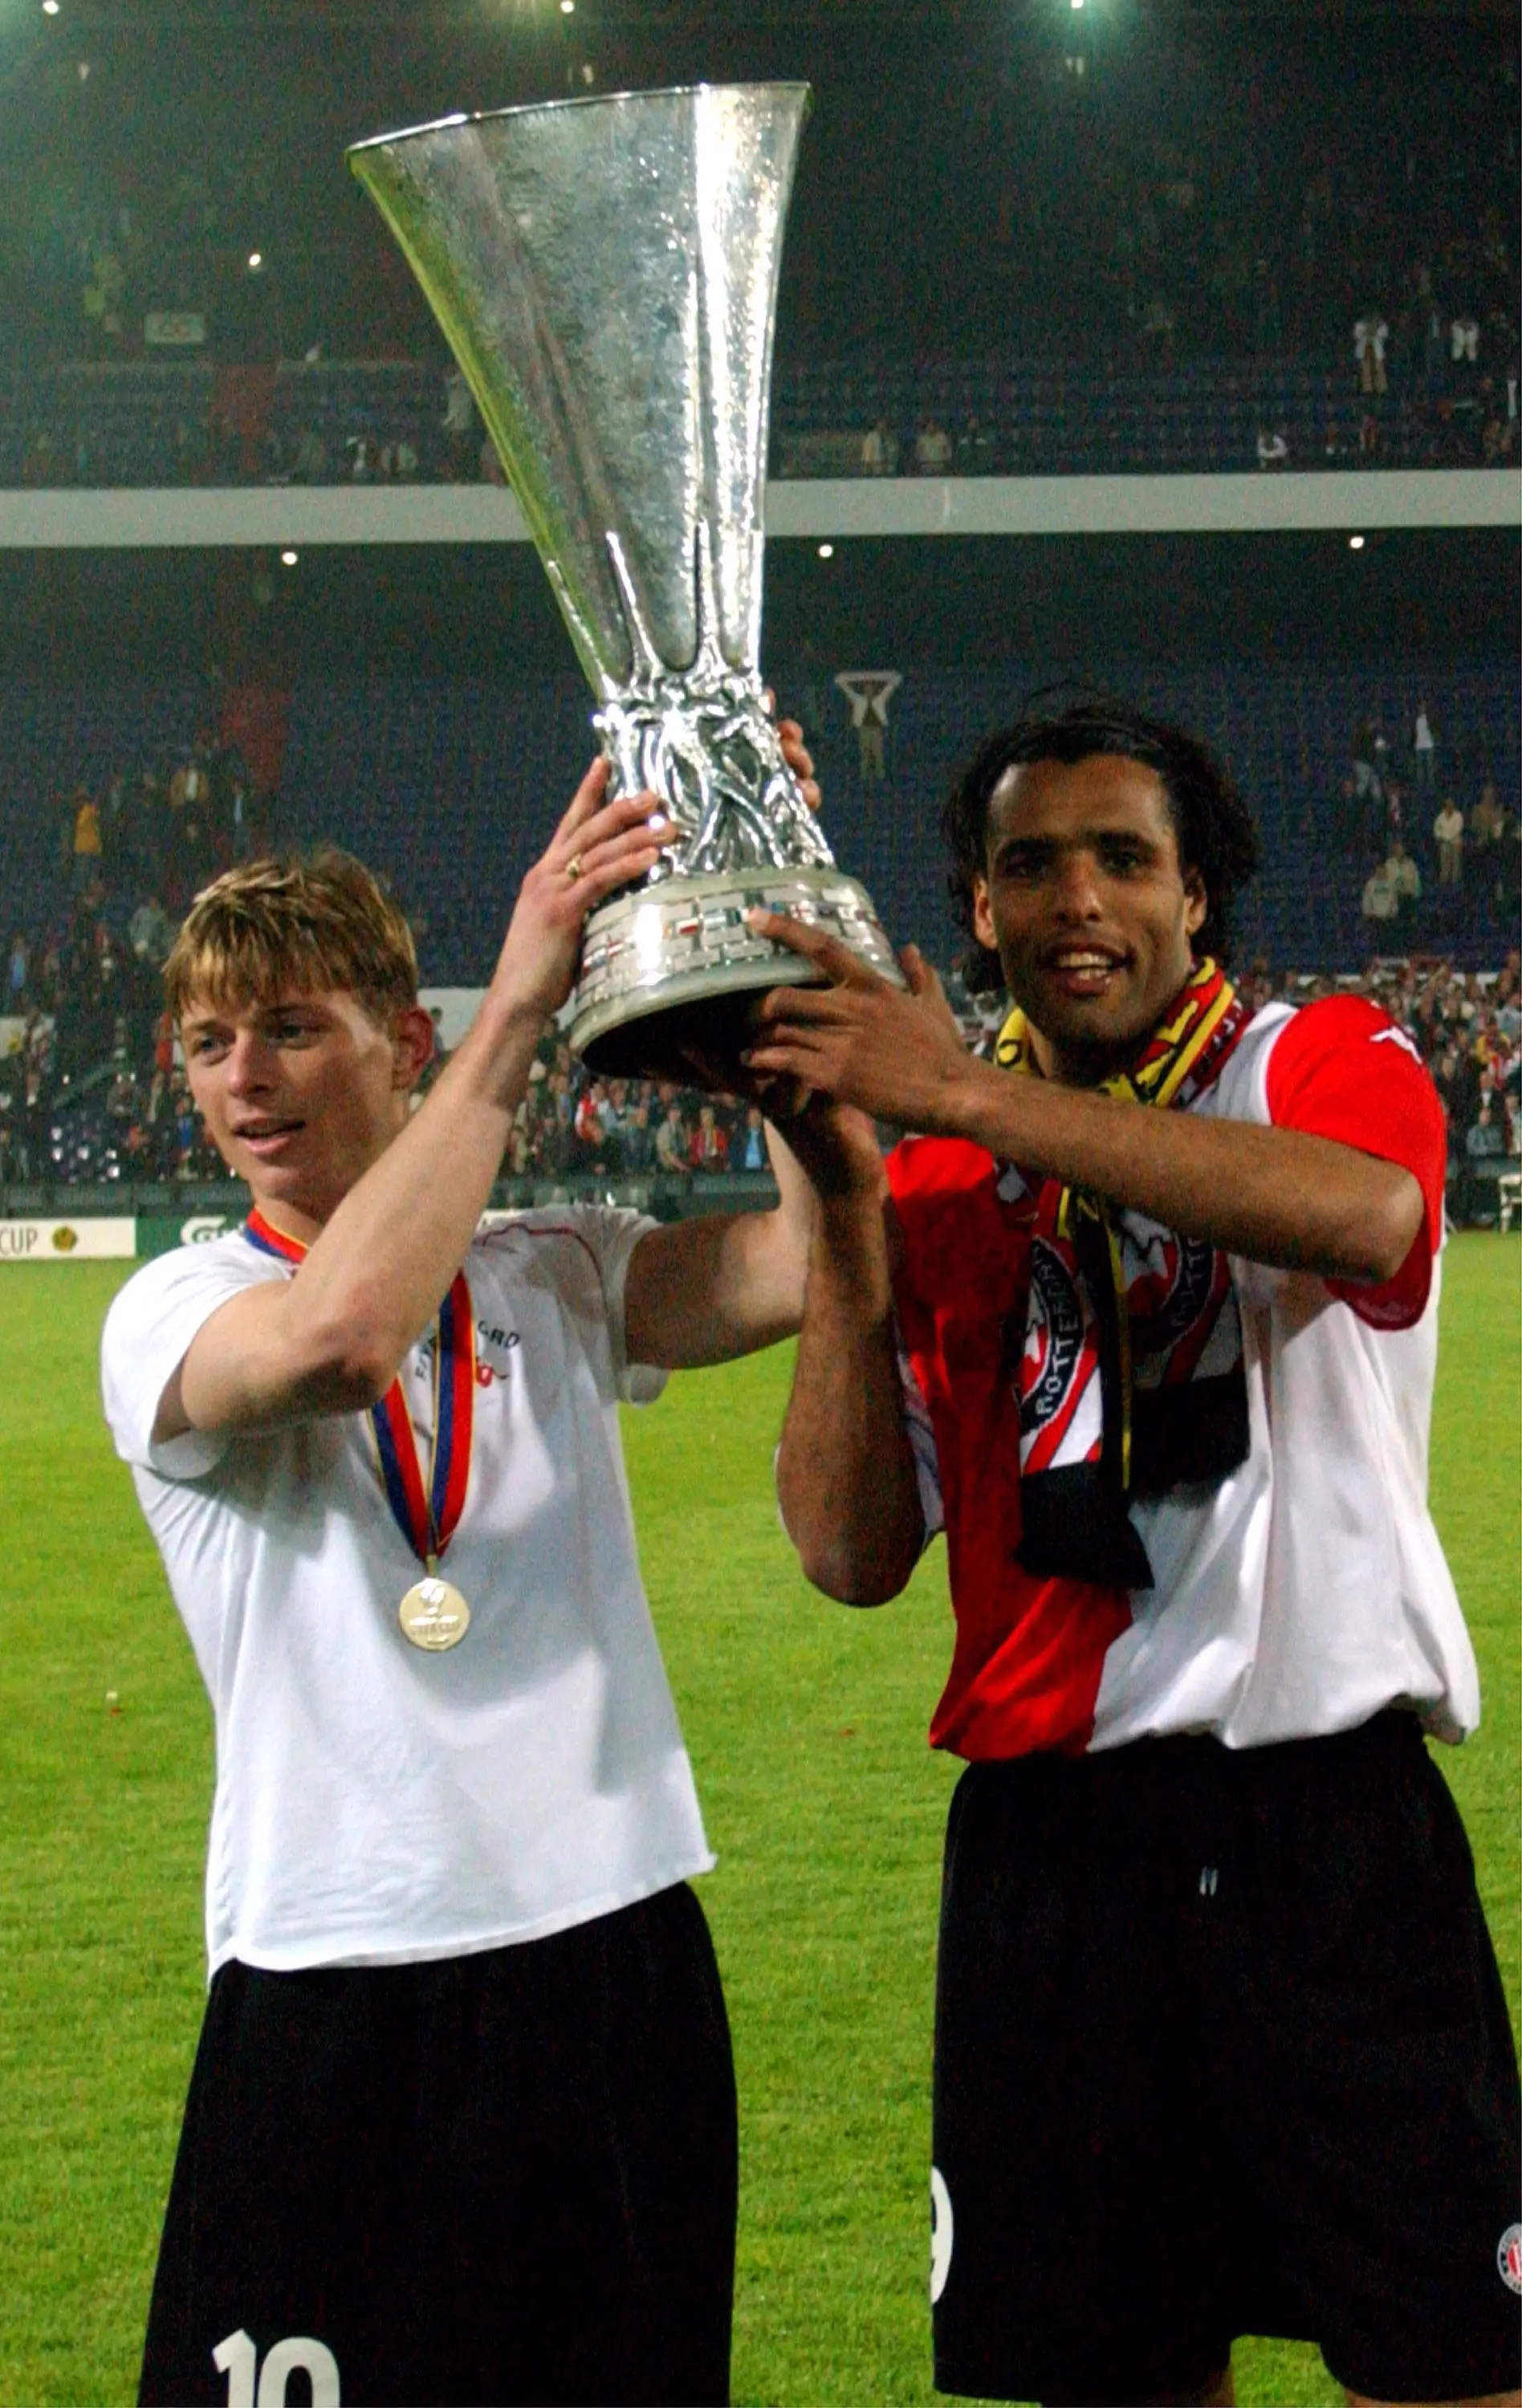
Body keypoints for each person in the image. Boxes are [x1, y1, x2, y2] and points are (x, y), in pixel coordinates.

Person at [744, 698, 1520, 2408]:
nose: (1075, 899)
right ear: (973, 908)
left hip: (1322, 1824)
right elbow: (850, 1551)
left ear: (1196, 896)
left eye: (1121, 858)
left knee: (1444, 2363)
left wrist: (960, 1090)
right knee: (1108, 2375)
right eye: (1029, 865)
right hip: (1055, 1851)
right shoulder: (936, 1165)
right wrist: (857, 1220)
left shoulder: (1314, 1058)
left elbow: (1365, 1217)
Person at [100, 751, 830, 2408]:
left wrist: (776, 1011)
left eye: (291, 1028)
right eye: (209, 1043)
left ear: (395, 1041)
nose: (243, 1078)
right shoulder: (172, 1308)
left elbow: (792, 1269)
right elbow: (342, 1339)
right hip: (336, 1974)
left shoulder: (555, 1265)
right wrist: (520, 1014)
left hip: (610, 1954)